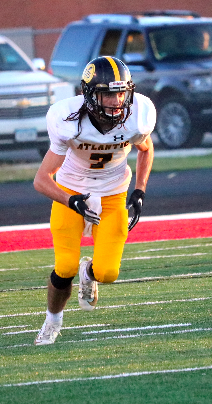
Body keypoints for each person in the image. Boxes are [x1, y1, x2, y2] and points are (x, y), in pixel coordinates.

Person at [32, 56, 156, 345]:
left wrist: (139, 191)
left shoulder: (139, 114)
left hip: (114, 194)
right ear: (89, 94)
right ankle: (52, 322)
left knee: (108, 272)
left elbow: (146, 150)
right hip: (71, 192)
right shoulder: (68, 119)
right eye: (108, 93)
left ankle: (90, 274)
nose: (116, 101)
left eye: (120, 92)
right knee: (64, 267)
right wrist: (70, 199)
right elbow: (41, 179)